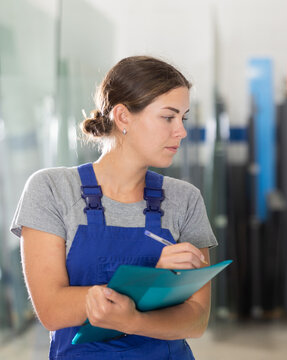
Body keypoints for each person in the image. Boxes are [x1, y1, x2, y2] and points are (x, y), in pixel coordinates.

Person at [10, 55, 217, 359]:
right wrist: (153, 283)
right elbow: (52, 309)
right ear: (123, 117)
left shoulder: (185, 199)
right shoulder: (52, 190)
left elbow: (197, 319)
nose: (181, 132)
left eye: (183, 118)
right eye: (168, 117)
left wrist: (134, 318)